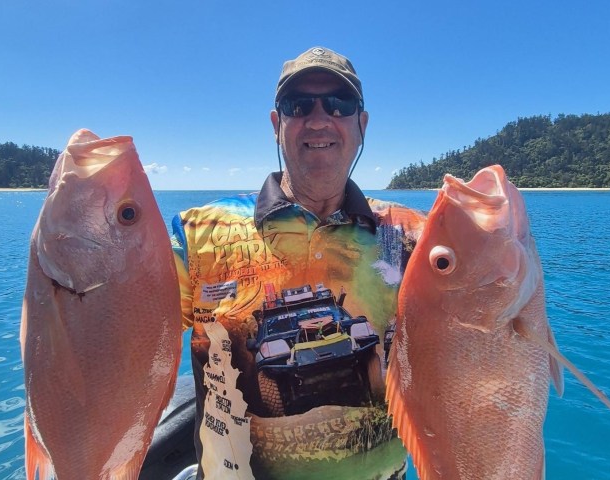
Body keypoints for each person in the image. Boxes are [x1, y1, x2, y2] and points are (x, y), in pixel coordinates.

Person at [171, 46, 426, 479]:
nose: (320, 118)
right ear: (277, 125)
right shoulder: (197, 235)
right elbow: (123, 345)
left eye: (339, 104)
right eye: (299, 104)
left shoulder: (408, 236)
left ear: (361, 125)